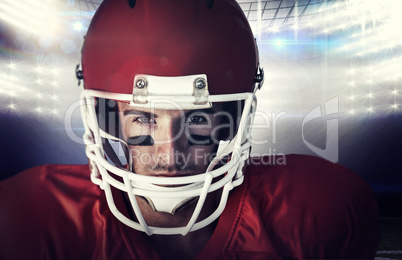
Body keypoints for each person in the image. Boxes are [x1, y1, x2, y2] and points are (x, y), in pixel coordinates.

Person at [0, 0, 380, 259]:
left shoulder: (314, 214)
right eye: (144, 118)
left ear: (231, 119)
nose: (169, 152)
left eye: (197, 119)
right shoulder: (30, 218)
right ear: (107, 119)